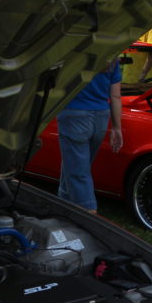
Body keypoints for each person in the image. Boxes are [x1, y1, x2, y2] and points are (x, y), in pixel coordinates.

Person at [55, 58, 123, 212]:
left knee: (79, 175)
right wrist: (117, 128)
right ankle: (61, 210)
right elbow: (115, 97)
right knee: (75, 167)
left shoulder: (75, 51)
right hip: (101, 118)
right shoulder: (112, 57)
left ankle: (91, 220)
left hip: (74, 116)